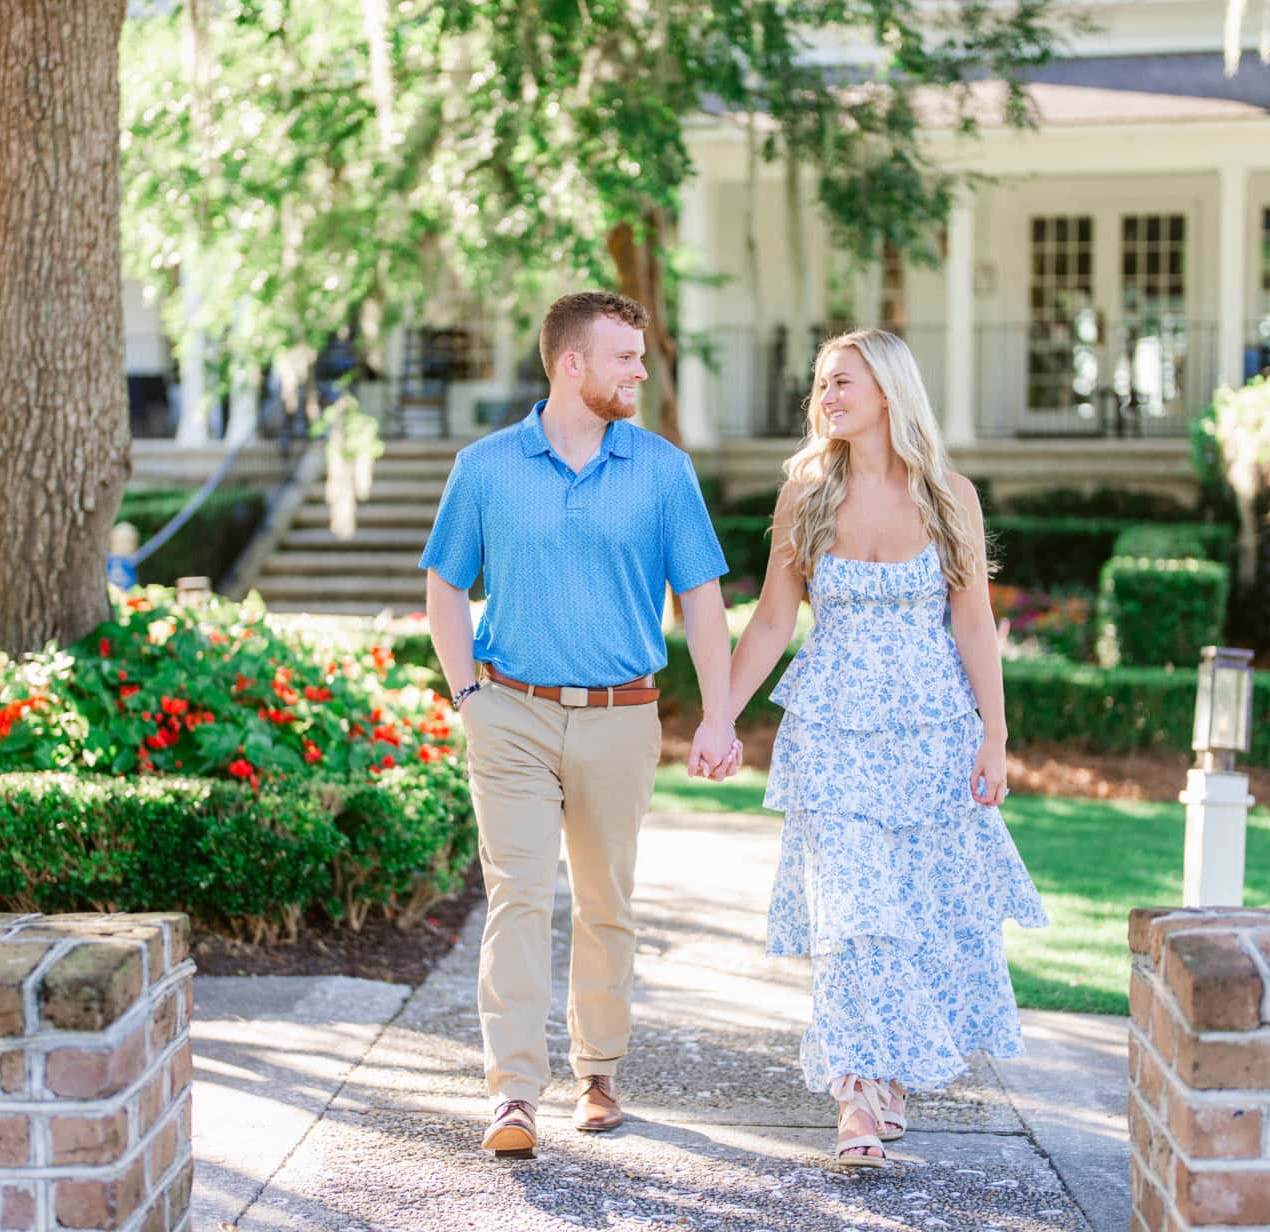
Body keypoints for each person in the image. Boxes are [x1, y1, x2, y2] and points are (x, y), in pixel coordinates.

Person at [421, 290, 743, 1159]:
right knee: (517, 899)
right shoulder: (485, 467)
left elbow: (704, 601)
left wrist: (719, 715)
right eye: (625, 357)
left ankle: (597, 1073)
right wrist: (468, 697)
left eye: (640, 357)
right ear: (572, 364)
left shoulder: (662, 469)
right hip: (511, 714)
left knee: (606, 903)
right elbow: (445, 588)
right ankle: (514, 1093)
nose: (641, 371)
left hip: (621, 717)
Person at [722, 328, 1047, 1167]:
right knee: (853, 913)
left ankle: (889, 1072)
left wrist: (995, 737)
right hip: (832, 732)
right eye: (823, 383)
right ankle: (858, 1094)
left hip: (933, 735)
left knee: (918, 916)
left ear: (891, 393)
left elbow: (974, 622)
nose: (827, 396)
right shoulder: (806, 493)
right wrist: (721, 711)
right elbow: (770, 619)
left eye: (844, 383)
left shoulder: (949, 496)